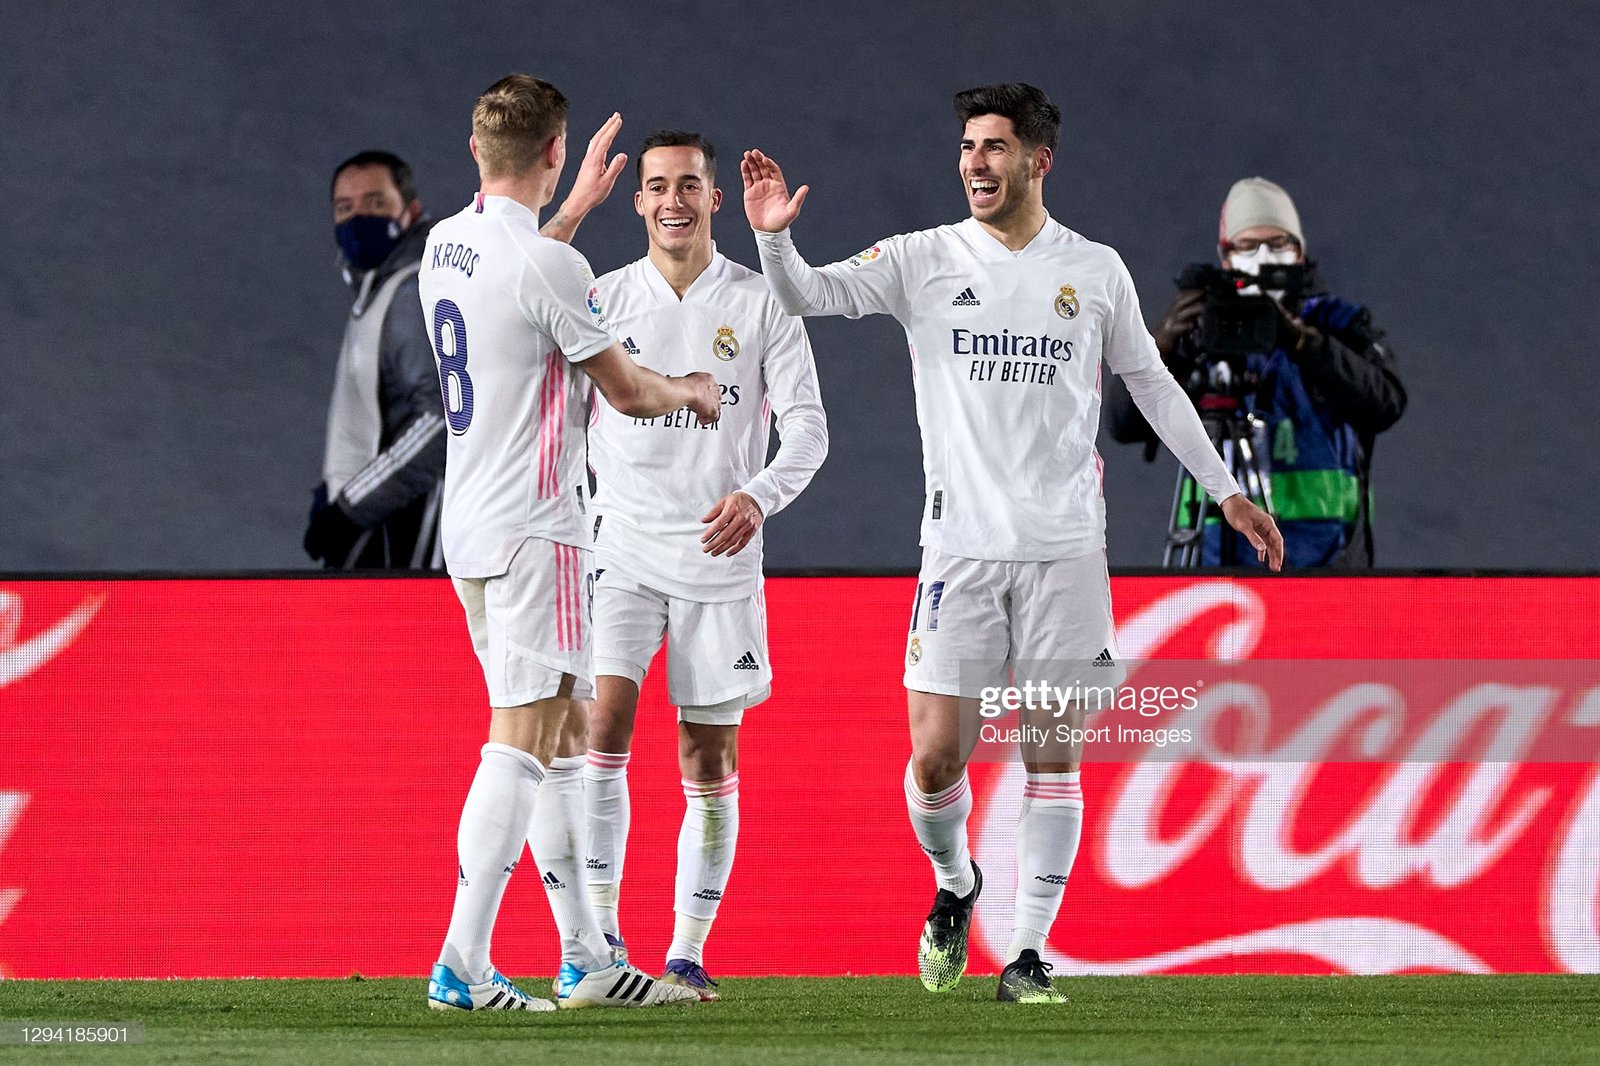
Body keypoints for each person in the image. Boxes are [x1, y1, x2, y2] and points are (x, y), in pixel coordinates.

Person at [742, 83, 1282, 1003]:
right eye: (965, 148)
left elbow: (1152, 388)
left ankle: (1028, 954)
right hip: (959, 549)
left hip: (1068, 548)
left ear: (1039, 160)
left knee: (1052, 753)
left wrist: (1226, 492)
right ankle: (956, 882)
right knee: (936, 758)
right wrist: (773, 235)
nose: (973, 165)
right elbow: (807, 294)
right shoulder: (922, 258)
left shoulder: (1096, 270)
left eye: (993, 148)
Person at [418, 74, 718, 1012]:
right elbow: (626, 392)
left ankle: (587, 956)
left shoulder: (446, 244)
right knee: (519, 742)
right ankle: (461, 961)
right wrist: (693, 389)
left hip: (468, 530)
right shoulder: (550, 268)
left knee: (546, 743)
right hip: (536, 528)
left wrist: (577, 209)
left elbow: (522, 286)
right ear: (556, 149)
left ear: (475, 149)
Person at [563, 130, 829, 1001]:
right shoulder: (599, 298)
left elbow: (811, 431)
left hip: (720, 558)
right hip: (622, 548)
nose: (672, 199)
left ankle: (686, 952)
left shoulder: (762, 304)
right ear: (636, 201)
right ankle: (598, 944)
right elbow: (559, 423)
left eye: (688, 185)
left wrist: (758, 497)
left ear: (716, 199)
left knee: (707, 761)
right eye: (656, 186)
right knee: (602, 731)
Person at [1104, 177, 1406, 566]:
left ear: (1299, 253)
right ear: (1226, 257)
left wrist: (1302, 341)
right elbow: (1122, 424)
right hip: (1216, 568)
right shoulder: (1206, 331)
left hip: (1327, 571)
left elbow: (1385, 402)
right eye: (1248, 245)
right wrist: (1162, 343)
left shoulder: (1339, 324)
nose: (1263, 256)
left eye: (1278, 243)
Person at [305, 151, 445, 569]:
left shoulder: (410, 293)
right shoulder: (378, 291)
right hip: (383, 515)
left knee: (414, 636)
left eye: (375, 203)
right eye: (345, 209)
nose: (358, 217)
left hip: (407, 522)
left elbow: (440, 421)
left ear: (411, 210)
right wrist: (335, 488)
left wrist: (349, 508)